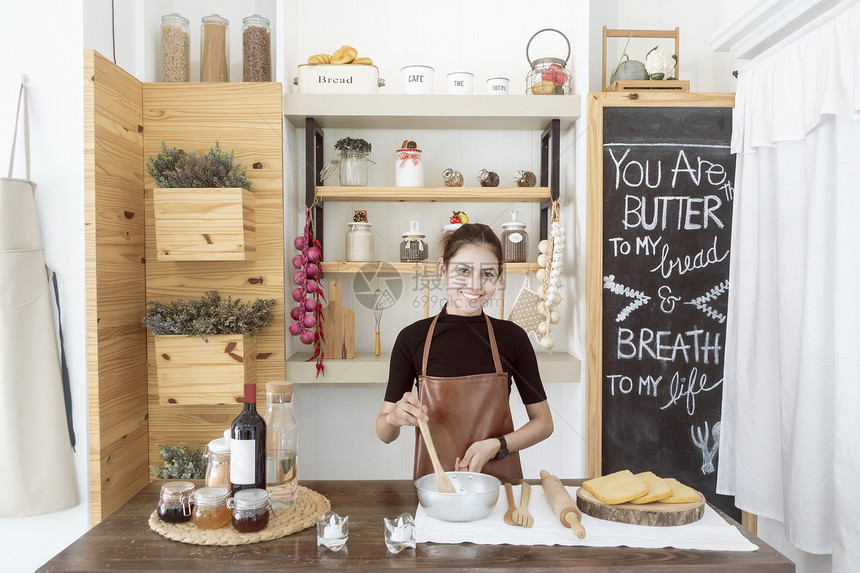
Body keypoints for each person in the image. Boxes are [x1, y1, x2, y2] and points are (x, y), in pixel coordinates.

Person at [375, 223, 553, 482]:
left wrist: (496, 445)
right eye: (463, 271)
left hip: (499, 489)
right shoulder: (412, 339)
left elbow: (544, 423)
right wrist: (393, 418)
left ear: (498, 278)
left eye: (488, 274)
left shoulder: (513, 338)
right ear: (442, 270)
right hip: (435, 489)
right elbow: (384, 433)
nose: (475, 285)